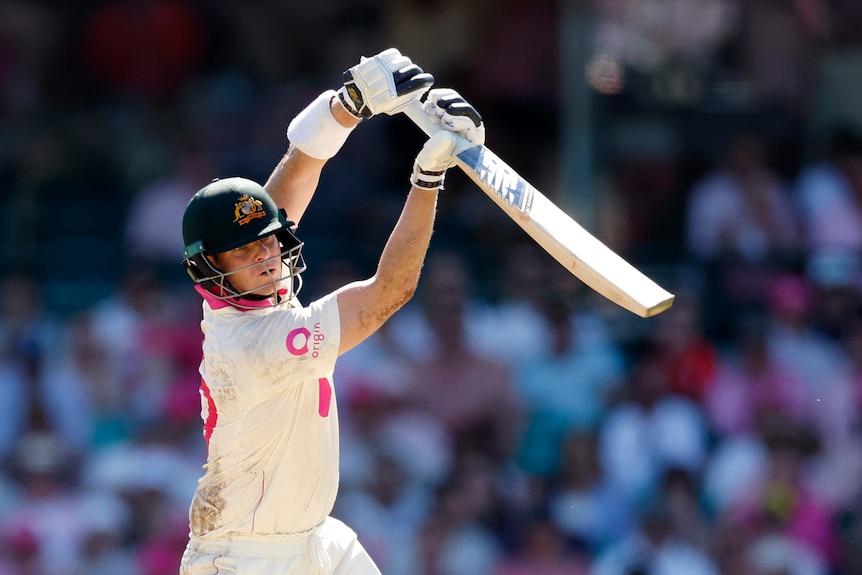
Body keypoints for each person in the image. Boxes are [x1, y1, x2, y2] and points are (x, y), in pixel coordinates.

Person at [176, 48, 486, 575]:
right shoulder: (258, 343)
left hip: (311, 539)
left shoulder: (242, 292)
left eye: (269, 241)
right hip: (244, 560)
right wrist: (428, 180)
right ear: (211, 268)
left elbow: (281, 198)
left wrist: (347, 105)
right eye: (246, 251)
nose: (267, 254)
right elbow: (390, 292)